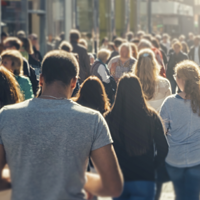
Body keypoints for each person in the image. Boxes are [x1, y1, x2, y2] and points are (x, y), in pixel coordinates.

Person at [0, 50, 123, 200]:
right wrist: (81, 178)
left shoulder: (6, 115)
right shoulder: (92, 120)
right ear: (74, 82)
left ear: (41, 79)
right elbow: (113, 186)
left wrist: (18, 177)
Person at [105, 74, 168, 200]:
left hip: (118, 179)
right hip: (144, 176)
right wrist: (152, 165)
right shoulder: (151, 117)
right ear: (139, 91)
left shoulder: (109, 118)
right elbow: (163, 148)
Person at [160, 60, 200, 200]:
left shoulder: (170, 102)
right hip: (197, 158)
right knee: (193, 196)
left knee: (180, 195)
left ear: (181, 79)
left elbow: (161, 131)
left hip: (174, 159)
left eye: (176, 76)